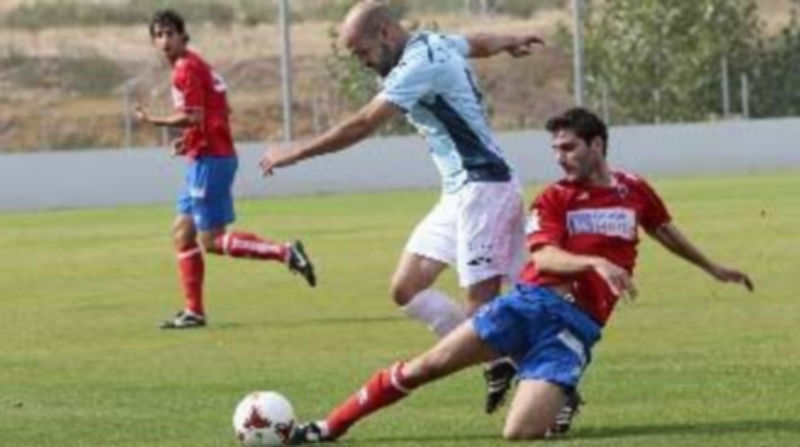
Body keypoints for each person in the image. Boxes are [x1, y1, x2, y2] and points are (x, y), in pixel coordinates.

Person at [287, 107, 754, 444]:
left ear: (597, 146)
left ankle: (553, 389)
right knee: (426, 367)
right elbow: (545, 256)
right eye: (556, 149)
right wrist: (593, 262)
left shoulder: (634, 190)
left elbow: (663, 229)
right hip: (528, 305)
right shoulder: (555, 198)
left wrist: (713, 267)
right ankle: (329, 427)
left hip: (575, 329)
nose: (561, 157)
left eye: (569, 147)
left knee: (519, 433)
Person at [259, 0, 544, 412]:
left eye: (362, 52)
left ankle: (554, 385)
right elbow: (476, 43)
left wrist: (295, 151)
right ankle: (498, 362)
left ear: (385, 33)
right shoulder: (432, 42)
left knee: (484, 309)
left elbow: (363, 124)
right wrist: (510, 40)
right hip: (459, 192)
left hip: (485, 188)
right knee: (406, 288)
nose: (361, 61)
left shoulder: (418, 65)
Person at [134, 9, 316, 330]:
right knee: (182, 235)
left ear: (182, 35)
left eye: (169, 33)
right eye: (158, 35)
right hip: (203, 156)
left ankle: (285, 252)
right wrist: (189, 141)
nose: (164, 40)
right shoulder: (192, 64)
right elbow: (219, 109)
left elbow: (194, 115)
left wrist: (155, 121)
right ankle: (194, 312)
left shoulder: (186, 68)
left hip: (211, 160)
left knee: (212, 241)